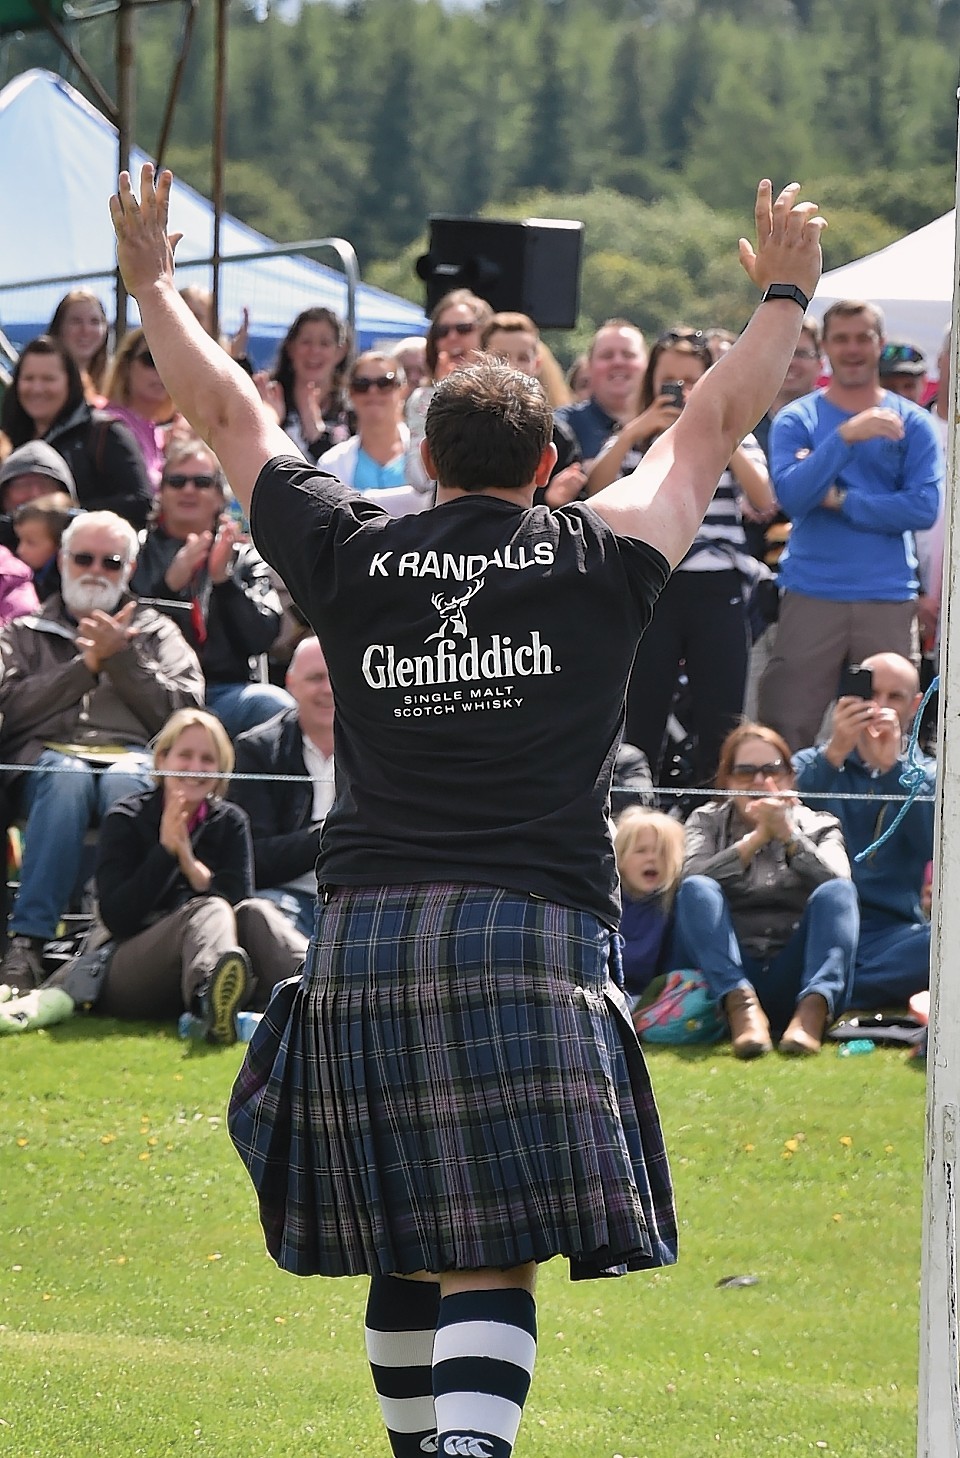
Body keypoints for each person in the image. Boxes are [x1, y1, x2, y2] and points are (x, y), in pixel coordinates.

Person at [112, 161, 824, 1458]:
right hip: (532, 930)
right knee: (488, 1239)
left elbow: (221, 409)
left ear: (425, 457)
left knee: (403, 1224)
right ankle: (467, 1450)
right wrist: (783, 290)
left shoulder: (351, 546)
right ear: (552, 462)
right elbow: (714, 423)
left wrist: (154, 281)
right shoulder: (600, 548)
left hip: (372, 932)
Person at [0, 509, 205, 992]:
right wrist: (85, 665)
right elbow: (8, 712)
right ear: (63, 561)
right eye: (83, 558)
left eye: (111, 561)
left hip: (131, 756)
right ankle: (28, 943)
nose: (96, 569)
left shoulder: (156, 632)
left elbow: (187, 714)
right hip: (42, 762)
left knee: (126, 782)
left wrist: (122, 659)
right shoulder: (23, 631)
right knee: (66, 777)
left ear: (130, 570)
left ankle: (118, 938)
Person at [587, 326, 775, 786]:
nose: (682, 391)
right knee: (643, 710)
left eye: (693, 381)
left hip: (717, 586)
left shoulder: (733, 434)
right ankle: (637, 810)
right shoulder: (637, 434)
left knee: (722, 713)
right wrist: (636, 428)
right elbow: (597, 489)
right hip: (656, 586)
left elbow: (764, 498)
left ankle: (715, 817)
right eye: (670, 381)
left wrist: (718, 433)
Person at [757, 299, 942, 752]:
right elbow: (794, 498)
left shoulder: (913, 422)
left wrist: (840, 498)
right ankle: (784, 822)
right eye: (842, 338)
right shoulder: (797, 418)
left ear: (880, 344)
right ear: (824, 348)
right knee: (789, 727)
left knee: (887, 736)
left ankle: (880, 824)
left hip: (887, 595)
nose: (853, 348)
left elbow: (923, 508)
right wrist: (845, 437)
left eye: (863, 337)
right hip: (811, 591)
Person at [671, 722, 858, 1057]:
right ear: (727, 781)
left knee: (838, 892)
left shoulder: (820, 823)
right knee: (697, 887)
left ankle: (812, 1015)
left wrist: (788, 836)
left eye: (772, 770)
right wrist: (754, 840)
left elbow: (837, 884)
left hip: (797, 972)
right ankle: (742, 1010)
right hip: (730, 973)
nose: (759, 781)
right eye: (745, 772)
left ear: (789, 777)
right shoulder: (705, 820)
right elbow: (692, 881)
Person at [793, 651, 934, 1011]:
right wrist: (835, 753)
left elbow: (937, 845)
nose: (879, 706)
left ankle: (827, 990)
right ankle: (834, 987)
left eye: (895, 697)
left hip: (891, 931)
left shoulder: (928, 774)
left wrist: (895, 773)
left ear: (916, 706)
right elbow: (786, 816)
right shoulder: (812, 762)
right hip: (813, 922)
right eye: (870, 693)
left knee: (945, 944)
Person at [129, 436, 293, 738]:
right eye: (177, 481)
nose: (189, 490)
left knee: (273, 704)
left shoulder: (245, 555)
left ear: (219, 496)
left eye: (202, 481)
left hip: (223, 692)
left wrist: (224, 580)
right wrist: (167, 587)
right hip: (151, 690)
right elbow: (123, 626)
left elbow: (262, 637)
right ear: (161, 493)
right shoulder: (136, 549)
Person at [228, 635, 334, 938]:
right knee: (261, 917)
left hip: (365, 896)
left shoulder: (377, 748)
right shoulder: (257, 750)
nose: (327, 689)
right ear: (291, 684)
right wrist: (333, 833)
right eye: (315, 678)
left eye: (334, 677)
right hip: (287, 899)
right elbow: (253, 859)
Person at [0, 335, 152, 530]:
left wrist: (65, 515)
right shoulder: (8, 440)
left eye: (49, 379)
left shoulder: (106, 433)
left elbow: (140, 501)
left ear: (70, 383)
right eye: (29, 378)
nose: (37, 388)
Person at [480, 311, 587, 506]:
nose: (512, 366)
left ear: (537, 364)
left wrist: (552, 501)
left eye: (522, 358)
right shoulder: (464, 423)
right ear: (482, 361)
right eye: (501, 357)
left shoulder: (558, 436)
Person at [403, 288, 493, 494]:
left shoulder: (509, 393)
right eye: (442, 332)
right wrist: (442, 397)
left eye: (463, 328)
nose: (452, 337)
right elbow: (419, 478)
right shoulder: (421, 399)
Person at [256, 306, 352, 462]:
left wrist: (315, 433)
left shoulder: (352, 407)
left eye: (325, 343)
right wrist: (269, 421)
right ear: (291, 347)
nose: (314, 351)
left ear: (340, 351)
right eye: (306, 342)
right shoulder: (269, 398)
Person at [614, 806, 685, 1003]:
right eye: (641, 851)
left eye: (662, 852)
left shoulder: (674, 903)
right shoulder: (608, 903)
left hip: (662, 998)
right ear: (620, 858)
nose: (652, 858)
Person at [554, 318, 647, 464]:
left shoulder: (667, 425)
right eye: (607, 355)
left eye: (628, 355)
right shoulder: (563, 425)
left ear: (647, 364)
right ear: (589, 366)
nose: (618, 362)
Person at [317, 352, 411, 491]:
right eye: (362, 385)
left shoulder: (425, 455)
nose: (373, 391)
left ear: (403, 390)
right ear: (350, 392)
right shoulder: (331, 464)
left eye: (384, 383)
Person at [103, 326, 177, 492]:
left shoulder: (158, 432)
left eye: (171, 362)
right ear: (126, 365)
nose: (161, 371)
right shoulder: (111, 424)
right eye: (151, 360)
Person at [47, 288, 111, 402]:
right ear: (59, 327)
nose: (86, 330)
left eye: (95, 322)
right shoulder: (40, 382)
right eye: (76, 321)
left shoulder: (117, 384)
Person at [12, 491, 75, 601]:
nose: (20, 550)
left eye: (31, 542)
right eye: (20, 540)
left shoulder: (60, 587)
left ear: (59, 544)